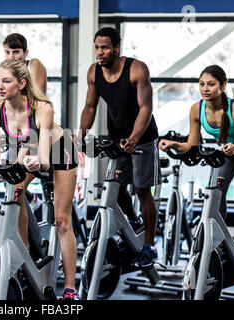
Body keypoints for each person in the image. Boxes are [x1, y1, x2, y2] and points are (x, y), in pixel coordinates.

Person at [0, 59, 80, 300]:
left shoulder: (42, 109)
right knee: (14, 195)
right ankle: (25, 256)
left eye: (5, 81)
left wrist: (35, 162)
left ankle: (70, 288)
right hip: (29, 151)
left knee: (62, 220)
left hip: (59, 151)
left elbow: (45, 160)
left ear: (21, 84)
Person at [78, 27, 161, 268]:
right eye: (96, 48)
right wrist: (80, 137)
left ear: (116, 47)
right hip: (117, 136)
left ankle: (149, 245)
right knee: (115, 185)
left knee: (141, 189)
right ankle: (134, 221)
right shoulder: (94, 73)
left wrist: (135, 136)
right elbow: (90, 107)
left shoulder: (136, 69)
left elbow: (146, 107)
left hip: (143, 137)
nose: (99, 52)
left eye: (104, 47)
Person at [159, 64, 234, 220]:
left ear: (223, 85)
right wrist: (173, 144)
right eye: (202, 84)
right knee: (216, 189)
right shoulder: (197, 109)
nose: (205, 89)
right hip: (231, 147)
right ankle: (217, 236)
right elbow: (191, 146)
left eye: (211, 84)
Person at [3, 33, 48, 211]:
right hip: (19, 134)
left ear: (25, 52)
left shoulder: (34, 65)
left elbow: (35, 102)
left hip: (37, 131)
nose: (11, 57)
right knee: (13, 187)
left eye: (16, 52)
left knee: (17, 185)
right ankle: (24, 233)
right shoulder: (6, 73)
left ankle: (32, 200)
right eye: (7, 52)